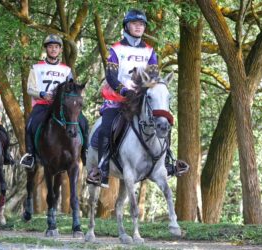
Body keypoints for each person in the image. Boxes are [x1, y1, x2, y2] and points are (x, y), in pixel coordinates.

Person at [86, 9, 188, 188]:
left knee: (163, 122)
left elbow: (154, 77)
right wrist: (124, 91)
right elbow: (110, 76)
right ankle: (101, 170)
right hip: (117, 99)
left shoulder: (150, 51)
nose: (139, 27)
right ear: (127, 26)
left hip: (141, 102)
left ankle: (167, 163)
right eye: (135, 24)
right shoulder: (116, 49)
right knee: (106, 127)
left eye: (141, 25)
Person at [20, 34, 88, 169]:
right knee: (30, 124)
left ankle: (85, 151)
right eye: (50, 47)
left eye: (56, 47)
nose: (53, 49)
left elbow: (72, 88)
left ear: (60, 50)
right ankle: (30, 155)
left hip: (62, 108)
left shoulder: (66, 70)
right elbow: (30, 88)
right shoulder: (36, 68)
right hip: (42, 105)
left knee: (83, 121)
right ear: (46, 49)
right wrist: (42, 94)